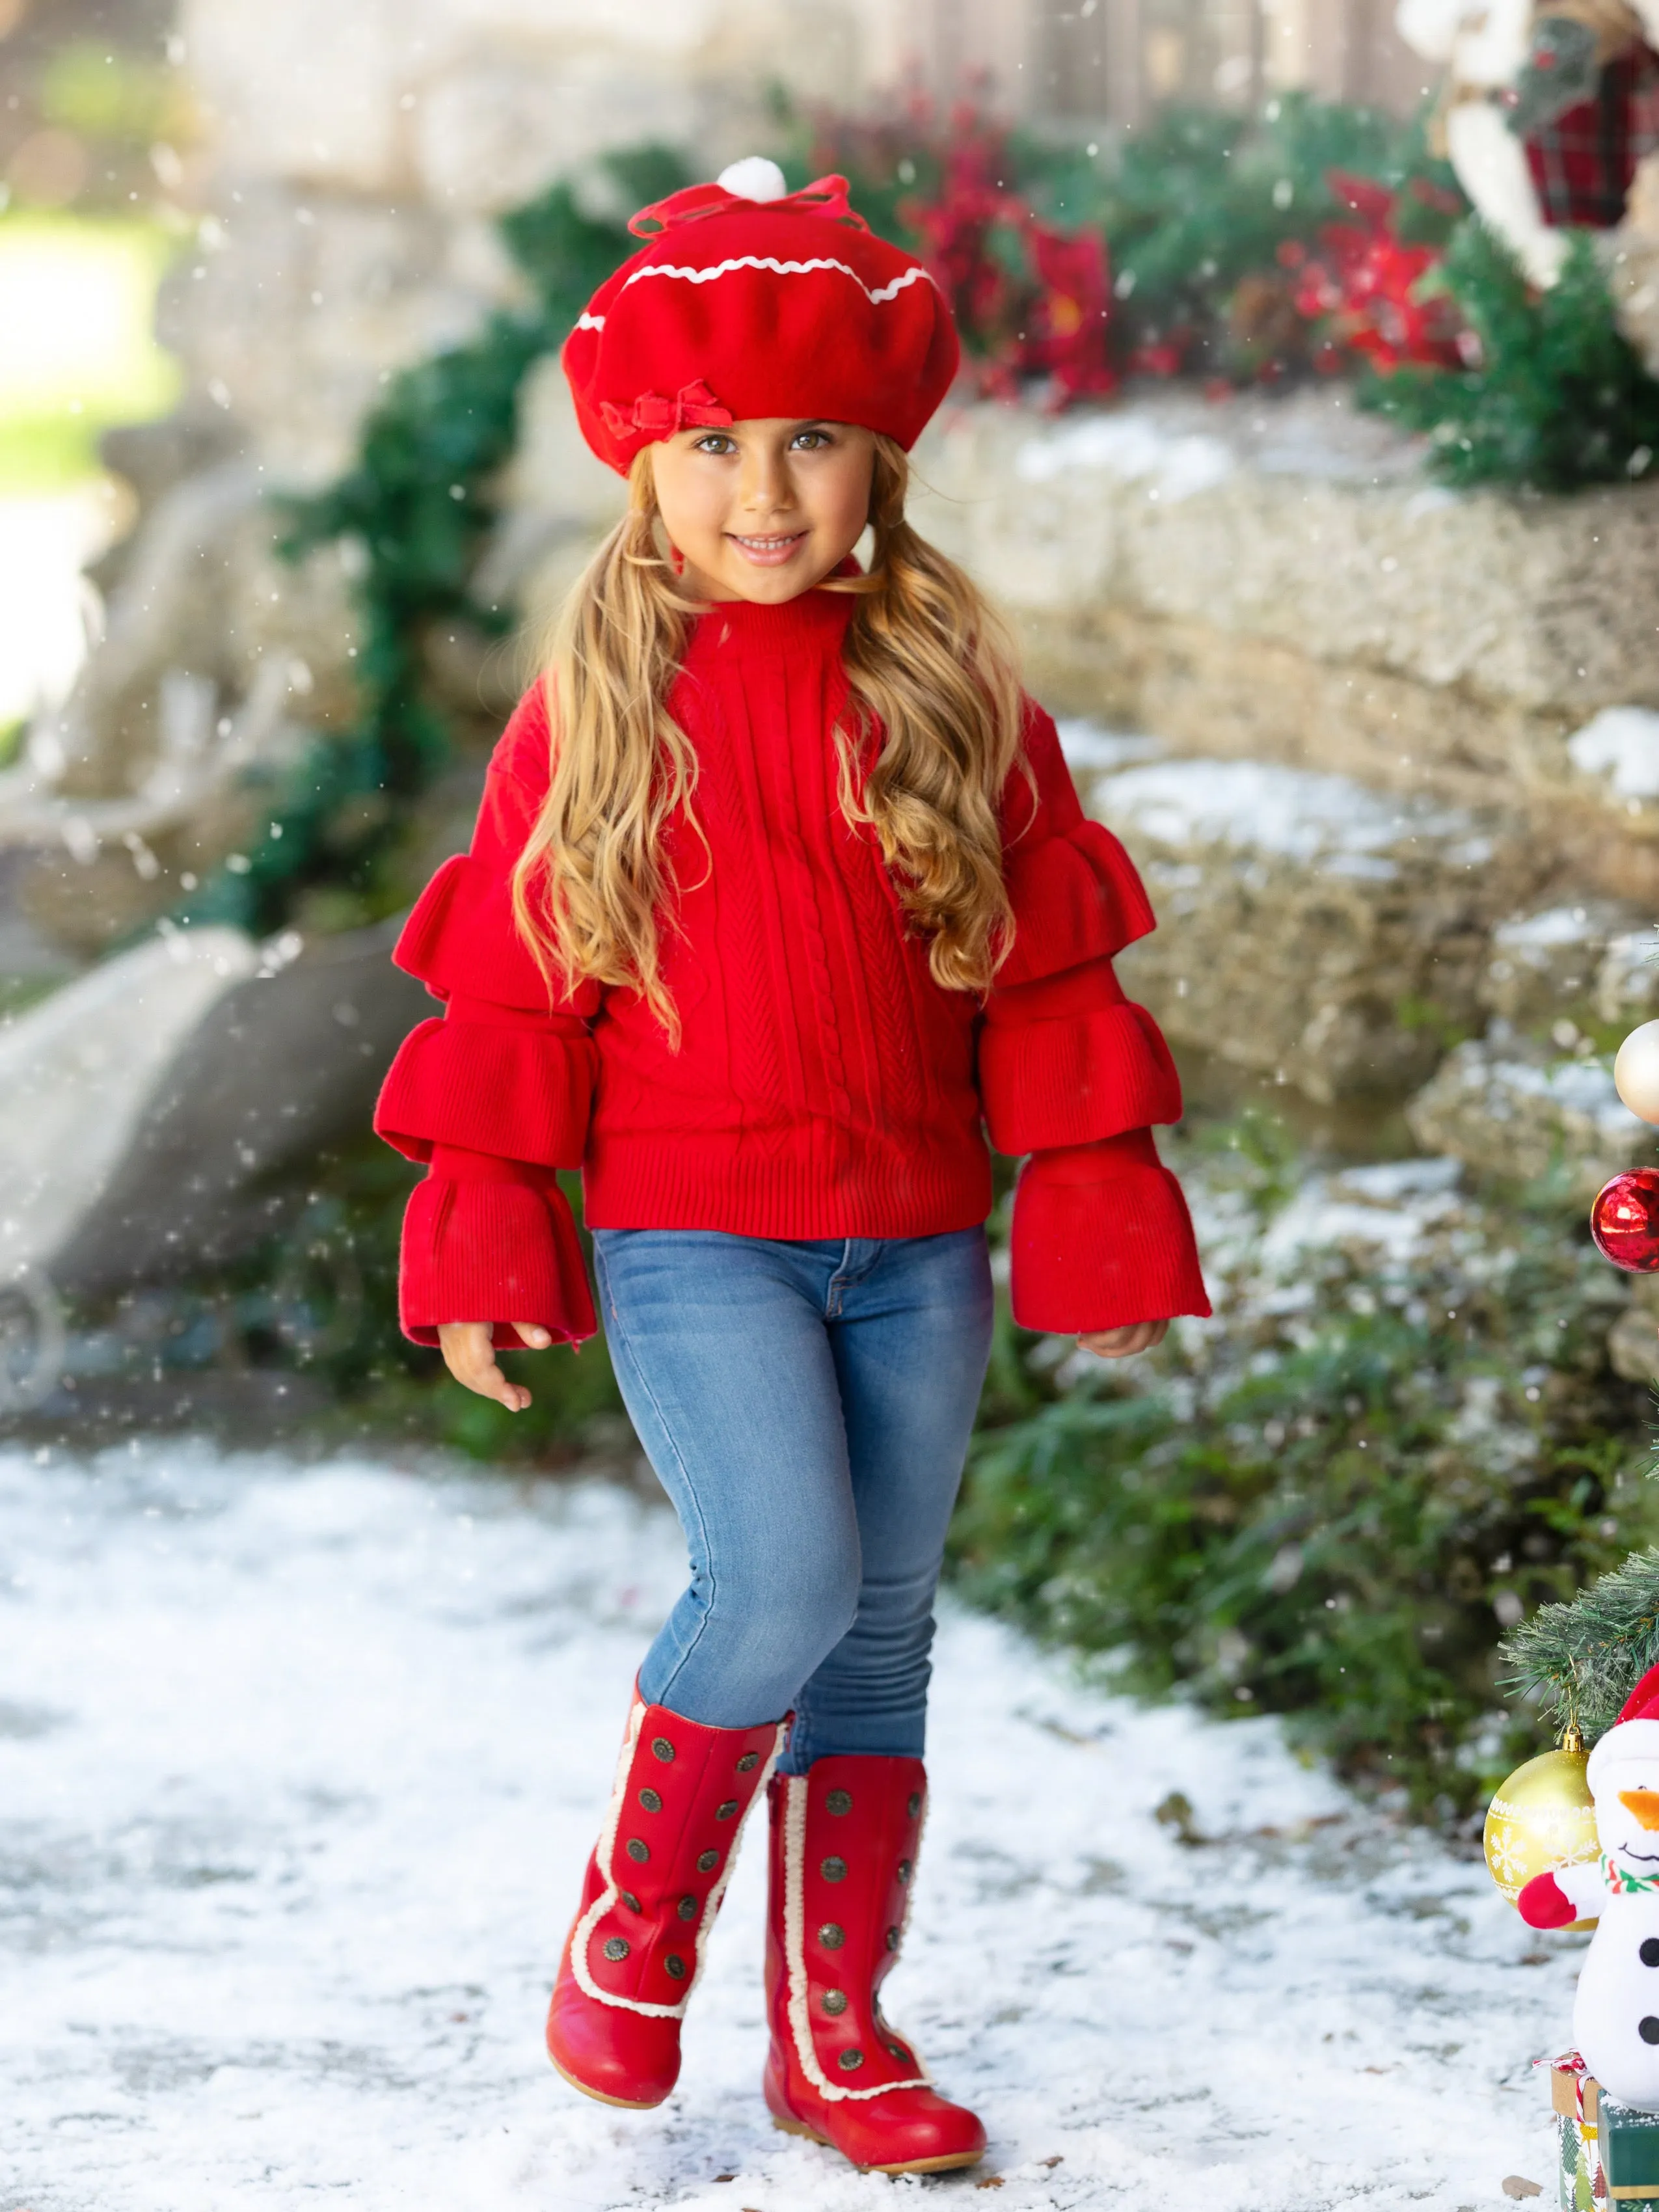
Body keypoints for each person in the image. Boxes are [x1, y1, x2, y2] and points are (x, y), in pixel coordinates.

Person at [373, 158, 1209, 2179]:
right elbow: (513, 987)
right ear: (642, 466)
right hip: (695, 1239)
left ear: (879, 456)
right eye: (715, 447)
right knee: (780, 1577)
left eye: (812, 441)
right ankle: (635, 1923)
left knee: (882, 1624)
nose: (764, 492)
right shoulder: (597, 706)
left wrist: (1089, 1220)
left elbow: (1047, 971)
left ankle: (836, 2039)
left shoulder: (951, 692)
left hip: (916, 1242)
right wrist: (489, 1226)